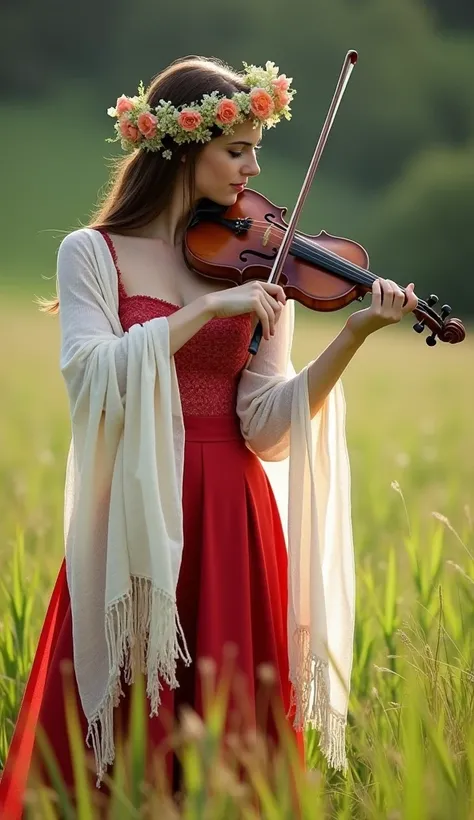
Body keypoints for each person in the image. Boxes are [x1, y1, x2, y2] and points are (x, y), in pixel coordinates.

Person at [0, 55, 418, 816]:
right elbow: (90, 376)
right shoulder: (89, 255)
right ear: (180, 147)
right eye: (237, 150)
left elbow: (264, 421)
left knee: (231, 748)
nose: (255, 169)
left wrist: (352, 336)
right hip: (136, 506)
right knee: (124, 739)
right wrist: (200, 316)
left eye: (257, 148)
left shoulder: (265, 265)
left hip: (231, 513)